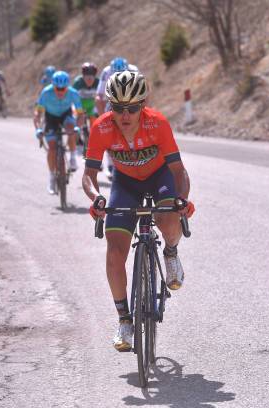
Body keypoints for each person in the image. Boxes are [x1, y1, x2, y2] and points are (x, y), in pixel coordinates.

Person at [82, 70, 195, 351]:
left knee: (168, 217)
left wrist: (181, 199)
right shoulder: (101, 128)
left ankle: (170, 252)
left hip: (160, 178)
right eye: (118, 108)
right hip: (125, 183)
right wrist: (96, 198)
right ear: (110, 107)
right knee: (114, 252)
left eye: (132, 108)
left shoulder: (157, 124)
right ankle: (124, 321)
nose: (125, 115)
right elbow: (89, 176)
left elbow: (179, 172)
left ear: (142, 105)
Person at [33, 71, 84, 194]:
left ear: (67, 87)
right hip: (50, 118)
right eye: (58, 88)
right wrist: (38, 129)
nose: (60, 91)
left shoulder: (73, 93)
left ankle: (72, 157)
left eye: (63, 89)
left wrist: (78, 127)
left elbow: (80, 114)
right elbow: (38, 114)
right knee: (52, 148)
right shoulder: (46, 93)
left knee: (71, 128)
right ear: (53, 86)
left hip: (66, 116)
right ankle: (51, 178)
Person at [94, 57, 138, 179]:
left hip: (130, 98)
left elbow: (144, 92)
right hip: (112, 100)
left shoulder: (134, 70)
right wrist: (102, 117)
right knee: (110, 130)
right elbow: (99, 95)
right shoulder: (106, 71)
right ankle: (110, 163)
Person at [72, 62, 100, 131]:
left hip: (91, 104)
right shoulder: (78, 82)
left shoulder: (98, 82)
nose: (89, 81)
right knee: (77, 119)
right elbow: (72, 96)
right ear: (83, 76)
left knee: (94, 121)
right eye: (87, 78)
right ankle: (77, 136)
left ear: (94, 77)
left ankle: (93, 134)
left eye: (91, 78)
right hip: (80, 103)